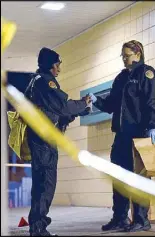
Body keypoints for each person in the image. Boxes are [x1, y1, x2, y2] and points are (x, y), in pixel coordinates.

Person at [89, 40, 155, 232]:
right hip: (121, 135)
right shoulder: (121, 78)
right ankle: (120, 218)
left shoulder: (147, 74)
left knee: (138, 178)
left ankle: (141, 219)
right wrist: (97, 101)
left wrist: (153, 126)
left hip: (138, 134)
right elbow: (112, 105)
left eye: (127, 55)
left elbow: (152, 103)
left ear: (137, 54)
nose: (124, 59)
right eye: (122, 55)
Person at [25, 47, 92, 236]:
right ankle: (38, 228)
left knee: (41, 183)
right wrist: (82, 104)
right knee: (46, 183)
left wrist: (79, 110)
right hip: (43, 139)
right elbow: (62, 106)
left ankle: (37, 225)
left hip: (40, 137)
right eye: (57, 64)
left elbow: (55, 112)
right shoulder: (46, 82)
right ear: (50, 65)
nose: (59, 69)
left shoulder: (35, 81)